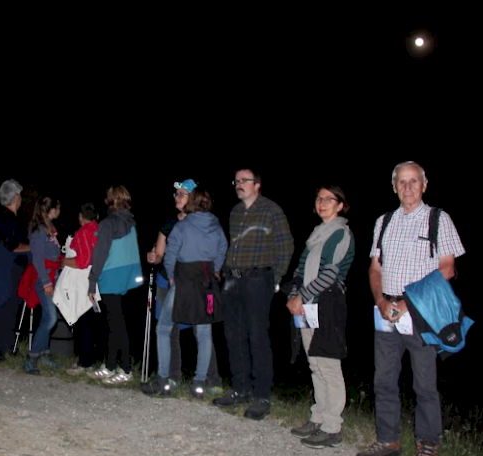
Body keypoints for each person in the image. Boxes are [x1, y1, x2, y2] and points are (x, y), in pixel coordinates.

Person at [359, 161, 465, 456]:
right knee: (383, 379)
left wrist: (409, 302)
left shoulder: (438, 219)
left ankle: (427, 442)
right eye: (401, 182)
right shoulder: (383, 221)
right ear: (393, 187)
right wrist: (381, 302)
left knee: (424, 383)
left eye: (413, 181)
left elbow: (447, 268)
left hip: (420, 313)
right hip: (386, 312)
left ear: (424, 184)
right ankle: (389, 440)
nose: (407, 187)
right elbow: (374, 268)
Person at [213, 168, 294, 420]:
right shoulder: (235, 212)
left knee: (258, 336)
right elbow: (233, 245)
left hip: (259, 279)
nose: (239, 185)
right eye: (236, 181)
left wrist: (276, 278)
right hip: (233, 279)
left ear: (257, 185)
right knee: (233, 335)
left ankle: (261, 396)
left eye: (244, 181)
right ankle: (240, 389)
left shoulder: (271, 210)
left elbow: (285, 244)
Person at [286, 185, 355, 449]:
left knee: (328, 364)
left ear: (340, 205)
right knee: (314, 363)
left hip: (327, 304)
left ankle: (332, 426)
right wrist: (294, 295)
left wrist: (301, 296)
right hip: (306, 306)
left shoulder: (340, 233)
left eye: (329, 199)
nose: (322, 203)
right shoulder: (316, 235)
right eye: (319, 199)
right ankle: (318, 418)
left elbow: (330, 273)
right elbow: (300, 269)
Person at [146, 188, 227, 399]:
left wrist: (172, 276)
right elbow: (223, 248)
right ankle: (199, 383)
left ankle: (163, 379)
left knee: (164, 327)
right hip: (207, 283)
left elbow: (171, 253)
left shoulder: (182, 226)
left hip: (184, 282)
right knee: (204, 333)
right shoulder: (216, 225)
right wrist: (214, 269)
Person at [86, 185, 143, 385]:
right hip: (128, 277)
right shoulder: (131, 222)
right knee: (115, 322)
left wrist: (92, 281)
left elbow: (100, 254)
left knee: (116, 324)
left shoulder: (109, 223)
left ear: (111, 200)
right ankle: (110, 365)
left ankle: (126, 368)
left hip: (111, 275)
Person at [0, 180, 30, 363]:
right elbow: (13, 246)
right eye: (20, 196)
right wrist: (33, 247)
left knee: (10, 309)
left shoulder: (2, 217)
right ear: (15, 197)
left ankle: (9, 347)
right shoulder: (7, 218)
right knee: (4, 309)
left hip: (9, 270)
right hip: (5, 271)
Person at [59, 203, 105, 376]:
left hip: (83, 283)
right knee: (93, 322)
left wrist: (63, 261)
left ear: (80, 217)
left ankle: (84, 362)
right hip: (98, 282)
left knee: (83, 320)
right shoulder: (100, 231)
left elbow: (82, 261)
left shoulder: (83, 233)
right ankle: (92, 360)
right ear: (97, 216)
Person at [23, 196, 62, 374]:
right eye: (58, 208)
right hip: (43, 278)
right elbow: (37, 258)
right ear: (52, 209)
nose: (60, 211)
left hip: (53, 276)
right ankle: (31, 357)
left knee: (48, 317)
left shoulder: (49, 230)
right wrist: (46, 282)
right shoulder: (39, 230)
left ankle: (44, 354)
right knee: (50, 318)